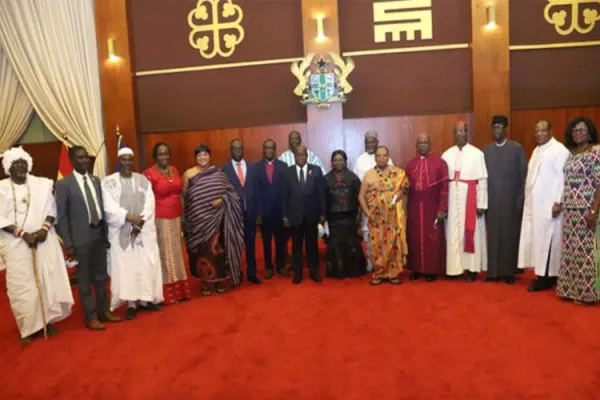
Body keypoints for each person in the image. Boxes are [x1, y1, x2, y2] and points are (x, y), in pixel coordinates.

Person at [0, 147, 74, 344]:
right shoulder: (2, 188)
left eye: (24, 163)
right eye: (16, 164)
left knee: (46, 280)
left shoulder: (40, 185)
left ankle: (46, 321)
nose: (21, 167)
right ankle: (28, 328)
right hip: (17, 245)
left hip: (43, 240)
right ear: (8, 167)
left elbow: (51, 208)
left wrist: (44, 228)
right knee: (22, 286)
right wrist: (23, 234)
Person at [56, 145, 121, 330]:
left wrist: (107, 233)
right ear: (72, 160)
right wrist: (68, 244)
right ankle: (90, 316)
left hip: (99, 234)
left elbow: (102, 208)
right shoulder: (63, 184)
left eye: (86, 157)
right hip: (80, 238)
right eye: (80, 158)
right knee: (84, 280)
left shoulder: (95, 180)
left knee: (101, 276)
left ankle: (103, 311)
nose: (84, 160)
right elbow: (62, 217)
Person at [102, 148, 163, 320]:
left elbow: (150, 204)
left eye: (130, 160)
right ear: (118, 161)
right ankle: (130, 304)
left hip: (142, 232)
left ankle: (145, 300)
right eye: (124, 160)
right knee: (127, 267)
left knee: (145, 264)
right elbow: (109, 208)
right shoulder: (109, 182)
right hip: (121, 232)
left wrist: (140, 221)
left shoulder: (143, 180)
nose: (127, 163)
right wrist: (130, 218)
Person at [182, 145, 244, 295]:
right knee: (201, 252)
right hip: (197, 219)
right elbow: (184, 196)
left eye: (205, 155)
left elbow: (231, 192)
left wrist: (222, 199)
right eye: (199, 155)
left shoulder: (218, 172)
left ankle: (219, 280)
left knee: (218, 250)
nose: (202, 158)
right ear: (195, 158)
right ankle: (205, 282)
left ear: (210, 157)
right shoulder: (189, 174)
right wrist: (185, 217)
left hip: (217, 219)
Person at [518, 120, 570, 292]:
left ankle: (545, 278)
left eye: (543, 131)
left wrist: (558, 202)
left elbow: (563, 178)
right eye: (537, 131)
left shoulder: (559, 150)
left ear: (551, 131)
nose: (539, 134)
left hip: (549, 206)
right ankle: (545, 275)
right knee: (539, 240)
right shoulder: (537, 150)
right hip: (535, 205)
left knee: (548, 241)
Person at [556, 117, 600, 304]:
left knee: (587, 252)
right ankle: (571, 289)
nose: (578, 133)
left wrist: (593, 211)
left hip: (586, 210)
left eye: (582, 130)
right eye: (574, 130)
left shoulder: (595, 152)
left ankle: (588, 294)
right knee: (571, 252)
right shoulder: (572, 154)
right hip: (570, 211)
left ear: (589, 132)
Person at [143, 143, 191, 305]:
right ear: (155, 156)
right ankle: (170, 292)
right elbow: (145, 199)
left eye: (166, 154)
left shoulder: (174, 170)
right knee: (166, 253)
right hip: (160, 218)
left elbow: (180, 193)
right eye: (160, 154)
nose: (164, 157)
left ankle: (181, 288)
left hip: (176, 217)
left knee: (177, 251)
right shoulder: (149, 174)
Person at [442, 121, 488, 282]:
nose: (460, 134)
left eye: (463, 131)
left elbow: (482, 181)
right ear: (453, 133)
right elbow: (442, 183)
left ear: (467, 133)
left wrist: (482, 204)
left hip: (470, 198)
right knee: (453, 232)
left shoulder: (477, 154)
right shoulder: (446, 154)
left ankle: (471, 269)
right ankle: (454, 268)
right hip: (452, 200)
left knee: (471, 233)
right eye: (457, 131)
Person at [483, 115, 527, 284]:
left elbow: (523, 176)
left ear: (506, 129)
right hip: (492, 202)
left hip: (511, 202)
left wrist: (520, 200)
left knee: (509, 237)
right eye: (494, 128)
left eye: (500, 127)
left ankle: (509, 273)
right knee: (493, 237)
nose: (497, 131)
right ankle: (493, 272)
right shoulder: (487, 150)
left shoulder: (517, 148)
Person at [359, 146, 409, 285]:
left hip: (393, 218)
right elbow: (361, 197)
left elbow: (404, 187)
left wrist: (399, 194)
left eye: (384, 155)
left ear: (388, 157)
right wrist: (368, 213)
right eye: (379, 155)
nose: (382, 158)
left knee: (393, 245)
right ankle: (379, 273)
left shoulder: (397, 173)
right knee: (377, 246)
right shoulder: (369, 174)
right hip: (376, 219)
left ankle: (393, 273)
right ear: (375, 158)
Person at [406, 134, 448, 282]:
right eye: (420, 142)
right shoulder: (411, 164)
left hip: (433, 207)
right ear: (417, 145)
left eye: (425, 142)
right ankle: (416, 269)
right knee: (415, 238)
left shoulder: (440, 163)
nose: (422, 145)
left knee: (433, 239)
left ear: (430, 144)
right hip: (414, 208)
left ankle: (431, 270)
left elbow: (444, 188)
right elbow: (406, 188)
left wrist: (442, 208)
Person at [282, 145, 326, 284]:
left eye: (303, 155)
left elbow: (321, 194)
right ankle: (298, 274)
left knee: (312, 246)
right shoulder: (287, 172)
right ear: (294, 157)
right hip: (294, 216)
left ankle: (314, 272)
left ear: (307, 156)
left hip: (312, 215)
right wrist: (284, 215)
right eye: (298, 155)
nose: (300, 158)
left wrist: (323, 213)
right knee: (296, 246)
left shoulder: (316, 170)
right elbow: (284, 196)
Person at [353, 130, 394, 272]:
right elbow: (358, 186)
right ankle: (371, 261)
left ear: (377, 142)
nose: (370, 144)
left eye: (372, 141)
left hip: (384, 207)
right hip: (367, 207)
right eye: (367, 142)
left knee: (385, 234)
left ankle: (386, 263)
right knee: (368, 234)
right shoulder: (360, 160)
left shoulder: (387, 159)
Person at [222, 139, 261, 284]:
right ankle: (235, 273)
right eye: (234, 149)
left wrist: (258, 213)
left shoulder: (252, 168)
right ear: (230, 150)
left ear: (243, 150)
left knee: (251, 244)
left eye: (239, 149)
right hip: (233, 214)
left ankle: (252, 273)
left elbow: (257, 191)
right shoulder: (224, 169)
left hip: (250, 212)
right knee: (235, 245)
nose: (237, 151)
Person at [324, 150, 366, 279]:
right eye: (335, 160)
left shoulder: (353, 178)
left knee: (351, 243)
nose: (338, 162)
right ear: (331, 163)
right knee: (335, 244)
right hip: (333, 219)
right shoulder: (326, 179)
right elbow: (323, 200)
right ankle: (337, 271)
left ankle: (352, 270)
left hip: (350, 217)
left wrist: (358, 217)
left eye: (340, 160)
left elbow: (360, 198)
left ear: (345, 161)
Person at [253, 139, 289, 279]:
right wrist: (258, 213)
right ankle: (268, 267)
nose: (269, 150)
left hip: (279, 211)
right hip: (264, 213)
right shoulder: (256, 168)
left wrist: (285, 213)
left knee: (280, 241)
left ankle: (280, 266)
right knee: (266, 241)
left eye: (271, 148)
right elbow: (255, 192)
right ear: (263, 150)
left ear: (275, 150)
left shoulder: (283, 166)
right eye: (266, 148)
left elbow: (286, 191)